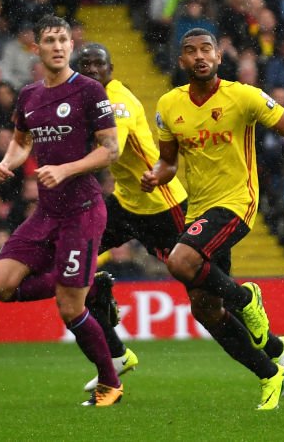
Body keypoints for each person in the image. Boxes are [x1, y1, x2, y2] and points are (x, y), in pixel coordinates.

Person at [141, 28, 284, 410]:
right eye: (190, 51)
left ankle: (246, 298)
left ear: (219, 56)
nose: (199, 56)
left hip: (238, 202)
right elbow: (170, 161)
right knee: (205, 309)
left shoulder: (243, 96)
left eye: (207, 49)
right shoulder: (168, 105)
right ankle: (271, 365)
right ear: (181, 61)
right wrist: (157, 174)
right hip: (199, 208)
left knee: (180, 261)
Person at [0, 15, 124, 407]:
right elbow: (21, 140)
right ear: (38, 48)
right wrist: (8, 162)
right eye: (50, 40)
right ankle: (86, 283)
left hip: (82, 209)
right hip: (46, 212)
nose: (59, 46)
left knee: (69, 308)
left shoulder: (89, 90)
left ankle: (110, 383)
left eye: (64, 39)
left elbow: (109, 150)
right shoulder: (29, 95)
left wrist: (65, 169)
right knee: (0, 286)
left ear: (70, 45)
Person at [74, 43, 194, 393]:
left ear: (111, 68)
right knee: (75, 264)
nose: (93, 69)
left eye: (100, 63)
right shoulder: (87, 99)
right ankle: (115, 354)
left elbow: (110, 152)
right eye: (86, 64)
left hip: (161, 203)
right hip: (127, 204)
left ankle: (268, 342)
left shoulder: (116, 100)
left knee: (202, 285)